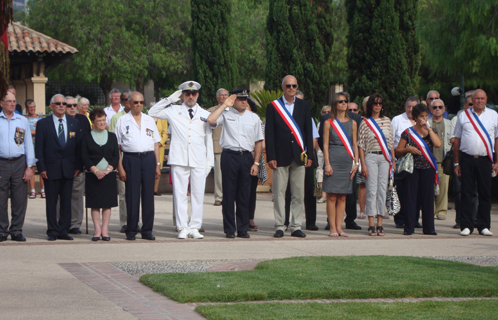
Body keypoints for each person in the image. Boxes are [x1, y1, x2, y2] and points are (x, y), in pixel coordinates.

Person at [148, 81, 213, 239]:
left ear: (197, 95)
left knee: (198, 194)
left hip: (198, 159)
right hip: (179, 158)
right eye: (187, 94)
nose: (190, 97)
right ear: (182, 95)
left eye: (193, 94)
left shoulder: (205, 114)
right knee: (180, 194)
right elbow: (152, 111)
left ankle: (195, 226)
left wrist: (209, 161)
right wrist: (171, 98)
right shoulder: (173, 110)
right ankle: (182, 227)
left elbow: (208, 139)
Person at [207, 89, 263, 238]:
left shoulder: (254, 118)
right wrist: (224, 105)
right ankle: (230, 229)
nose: (244, 102)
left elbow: (258, 142)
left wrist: (256, 163)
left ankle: (243, 228)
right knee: (229, 194)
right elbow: (211, 120)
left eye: (246, 99)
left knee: (244, 195)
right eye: (240, 99)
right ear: (233, 100)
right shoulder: (225, 115)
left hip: (246, 157)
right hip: (229, 156)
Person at [265, 75, 314, 238]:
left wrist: (310, 155)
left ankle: (296, 225)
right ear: (282, 87)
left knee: (298, 193)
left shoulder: (304, 106)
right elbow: (269, 133)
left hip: (300, 155)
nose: (291, 88)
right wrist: (271, 155)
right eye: (288, 86)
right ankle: (280, 225)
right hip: (280, 155)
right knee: (279, 192)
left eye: (294, 86)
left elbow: (308, 131)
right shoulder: (273, 106)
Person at [35, 94, 83, 241]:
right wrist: (41, 167)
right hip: (50, 169)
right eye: (58, 103)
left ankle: (63, 229)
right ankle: (52, 230)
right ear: (51, 106)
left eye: (64, 104)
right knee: (51, 201)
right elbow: (39, 148)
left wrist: (78, 166)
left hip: (69, 168)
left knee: (66, 201)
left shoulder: (74, 122)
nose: (62, 106)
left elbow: (78, 147)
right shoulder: (43, 123)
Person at [115, 91, 161, 241]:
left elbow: (155, 144)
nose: (139, 105)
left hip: (148, 159)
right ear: (128, 103)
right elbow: (117, 146)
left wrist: (157, 164)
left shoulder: (149, 120)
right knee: (132, 196)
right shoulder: (122, 120)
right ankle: (132, 229)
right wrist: (120, 167)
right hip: (131, 159)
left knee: (148, 196)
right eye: (135, 102)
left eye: (141, 102)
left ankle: (147, 230)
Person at [453, 89, 498, 236]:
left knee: (485, 193)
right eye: (477, 99)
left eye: (482, 98)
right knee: (467, 192)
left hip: (485, 159)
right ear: (473, 100)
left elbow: (496, 140)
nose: (479, 101)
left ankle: (484, 225)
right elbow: (457, 140)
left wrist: (496, 161)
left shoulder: (493, 115)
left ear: (486, 99)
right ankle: (466, 225)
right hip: (467, 158)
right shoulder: (464, 115)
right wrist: (456, 162)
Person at [396, 104, 441, 236]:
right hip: (412, 168)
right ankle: (409, 227)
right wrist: (408, 149)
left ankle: (429, 228)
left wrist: (429, 129)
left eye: (426, 116)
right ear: (415, 117)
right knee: (411, 198)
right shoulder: (408, 132)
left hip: (428, 168)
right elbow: (398, 151)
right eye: (421, 116)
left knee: (427, 198)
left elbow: (438, 144)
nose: (424, 118)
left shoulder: (431, 130)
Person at [0, 91, 36, 242]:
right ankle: (2, 230)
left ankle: (16, 230)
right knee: (1, 198)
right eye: (9, 101)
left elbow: (28, 143)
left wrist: (30, 166)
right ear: (2, 103)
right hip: (1, 162)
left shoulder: (21, 120)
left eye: (14, 101)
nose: (13, 104)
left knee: (19, 198)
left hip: (19, 162)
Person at [322, 92, 359, 237]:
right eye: (340, 101)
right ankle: (332, 227)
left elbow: (355, 144)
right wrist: (327, 164)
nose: (343, 104)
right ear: (335, 104)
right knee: (331, 196)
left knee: (343, 196)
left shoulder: (353, 123)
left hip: (347, 161)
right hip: (333, 159)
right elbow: (324, 145)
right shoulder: (328, 122)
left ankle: (339, 227)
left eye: (345, 101)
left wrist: (356, 163)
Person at [358, 93, 395, 236]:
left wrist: (393, 160)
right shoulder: (365, 122)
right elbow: (361, 145)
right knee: (371, 190)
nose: (378, 105)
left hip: (385, 158)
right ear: (370, 105)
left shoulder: (387, 121)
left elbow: (391, 142)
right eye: (375, 103)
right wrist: (363, 165)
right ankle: (371, 223)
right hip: (370, 157)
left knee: (382, 190)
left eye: (380, 103)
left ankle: (380, 223)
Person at [81, 108, 119, 241]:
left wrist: (108, 170)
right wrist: (96, 171)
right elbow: (85, 156)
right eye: (99, 121)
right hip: (93, 175)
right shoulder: (86, 137)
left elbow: (116, 156)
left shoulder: (112, 136)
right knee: (95, 203)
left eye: (104, 120)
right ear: (93, 122)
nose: (102, 123)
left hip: (109, 175)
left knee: (107, 203)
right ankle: (97, 230)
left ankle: (105, 230)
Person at [391, 96, 420, 229]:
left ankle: (414, 219)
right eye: (408, 106)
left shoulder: (422, 121)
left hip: (417, 161)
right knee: (401, 191)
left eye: (413, 107)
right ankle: (400, 219)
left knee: (415, 192)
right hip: (401, 159)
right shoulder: (397, 120)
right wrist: (393, 159)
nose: (410, 109)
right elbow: (391, 141)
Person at [65, 96, 92, 234]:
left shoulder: (82, 120)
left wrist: (81, 165)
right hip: (62, 165)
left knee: (77, 195)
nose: (72, 108)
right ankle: (61, 223)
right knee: (61, 196)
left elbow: (85, 144)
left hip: (78, 166)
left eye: (74, 105)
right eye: (68, 105)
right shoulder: (60, 121)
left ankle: (75, 223)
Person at [450, 92, 477, 229]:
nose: (474, 106)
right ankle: (461, 219)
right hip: (462, 156)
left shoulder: (483, 118)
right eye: (471, 104)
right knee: (461, 190)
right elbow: (453, 140)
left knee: (475, 191)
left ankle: (475, 219)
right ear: (465, 105)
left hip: (477, 157)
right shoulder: (458, 118)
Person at [109, 89, 131, 233]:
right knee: (123, 193)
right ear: (123, 102)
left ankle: (135, 219)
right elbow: (113, 142)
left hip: (136, 158)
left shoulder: (142, 116)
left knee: (136, 193)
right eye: (126, 100)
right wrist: (118, 164)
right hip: (123, 158)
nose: (129, 102)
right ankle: (124, 221)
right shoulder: (117, 118)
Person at [428, 98, 454, 220]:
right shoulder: (426, 123)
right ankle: (431, 209)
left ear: (444, 109)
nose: (437, 109)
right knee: (429, 186)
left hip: (444, 160)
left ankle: (442, 210)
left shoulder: (449, 124)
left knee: (444, 186)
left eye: (440, 107)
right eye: (434, 107)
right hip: (429, 159)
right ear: (430, 109)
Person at [247, 98, 267, 231]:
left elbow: (263, 142)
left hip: (253, 157)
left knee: (250, 191)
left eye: (247, 105)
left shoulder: (257, 121)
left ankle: (249, 218)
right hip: (236, 156)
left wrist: (256, 154)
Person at [207, 88, 229, 206]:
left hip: (232, 146)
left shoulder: (234, 110)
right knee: (219, 174)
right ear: (217, 97)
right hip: (218, 146)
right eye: (221, 95)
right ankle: (219, 197)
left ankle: (231, 196)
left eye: (226, 95)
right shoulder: (211, 111)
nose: (224, 97)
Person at [349, 101, 367, 219]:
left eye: (354, 110)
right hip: (342, 157)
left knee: (360, 185)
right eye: (350, 110)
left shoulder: (362, 122)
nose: (352, 112)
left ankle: (357, 213)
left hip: (358, 157)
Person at [25, 99, 45, 199]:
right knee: (31, 168)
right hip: (29, 146)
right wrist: (33, 131)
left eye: (34, 107)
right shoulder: (24, 119)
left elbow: (43, 131)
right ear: (26, 108)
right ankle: (32, 190)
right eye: (30, 107)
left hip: (40, 145)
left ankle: (43, 190)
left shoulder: (41, 118)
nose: (32, 109)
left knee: (42, 167)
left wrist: (31, 131)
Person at [151, 102, 169, 196]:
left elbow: (165, 133)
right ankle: (148, 188)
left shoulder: (163, 119)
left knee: (158, 167)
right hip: (149, 147)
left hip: (159, 147)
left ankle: (155, 189)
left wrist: (160, 143)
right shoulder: (146, 118)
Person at [316, 106, 331, 204]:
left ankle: (330, 194)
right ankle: (324, 194)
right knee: (320, 170)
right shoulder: (319, 124)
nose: (326, 113)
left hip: (332, 150)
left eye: (328, 112)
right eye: (324, 112)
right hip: (321, 150)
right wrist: (318, 149)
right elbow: (316, 138)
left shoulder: (334, 122)